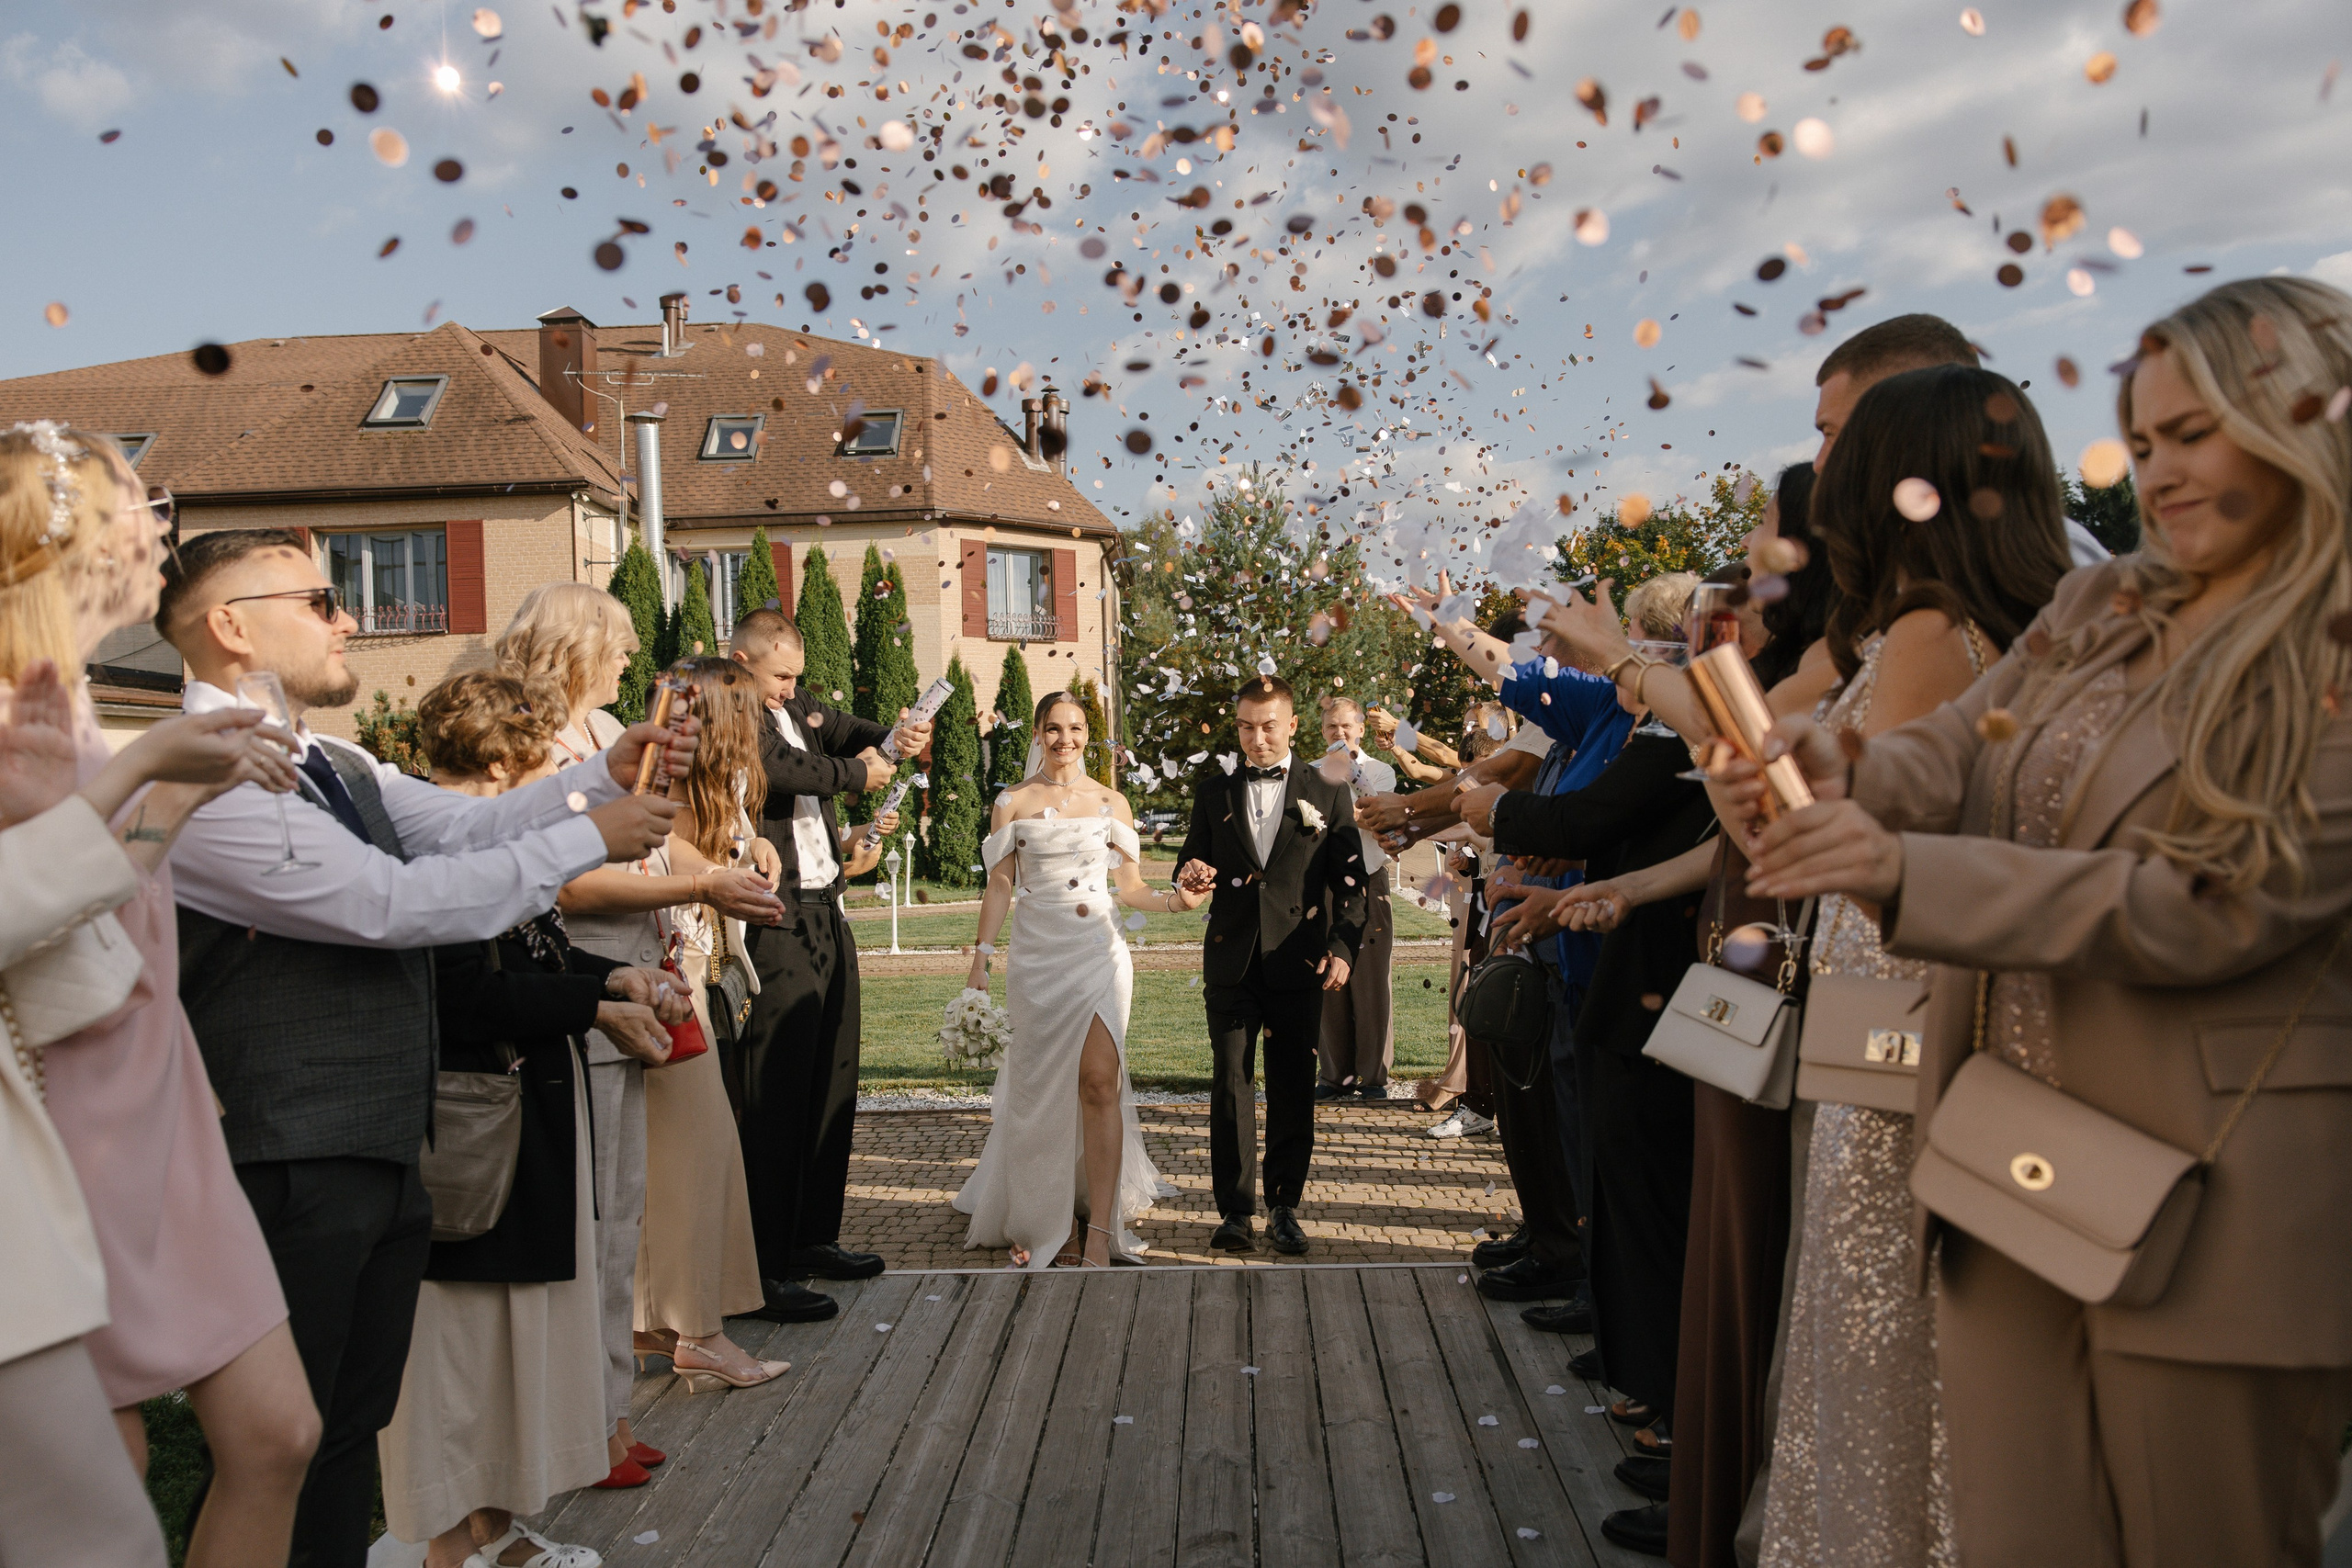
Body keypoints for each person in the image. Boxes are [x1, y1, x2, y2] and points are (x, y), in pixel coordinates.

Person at [1726, 276, 2352, 1567]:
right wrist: (1839, 768)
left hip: (2217, 1196)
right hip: (2006, 1156)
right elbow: (1960, 742)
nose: (2159, 469)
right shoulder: (2107, 600)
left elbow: (2211, 903)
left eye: (2198, 433)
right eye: (2147, 435)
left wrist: (1907, 877)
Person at [154, 527, 691, 1566]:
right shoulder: (207, 771)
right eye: (318, 599)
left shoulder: (332, 758)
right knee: (274, 1446)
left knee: (340, 1432)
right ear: (230, 627)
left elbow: (452, 828)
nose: (349, 616)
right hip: (285, 1148)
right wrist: (592, 836)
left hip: (376, 1144)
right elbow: (384, 905)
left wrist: (593, 784)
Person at [0, 426, 322, 1568]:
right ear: (69, 547)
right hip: (64, 1114)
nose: (159, 529)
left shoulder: (75, 700)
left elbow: (105, 889)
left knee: (280, 1433)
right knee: (110, 1466)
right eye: (138, 507)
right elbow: (32, 932)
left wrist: (183, 788)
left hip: (163, 1100)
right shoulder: (12, 716)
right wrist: (155, 775)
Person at [378, 671, 689, 1568]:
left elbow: (534, 950)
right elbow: (467, 991)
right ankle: (447, 1547)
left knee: (503, 1348)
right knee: (456, 1364)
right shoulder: (432, 847)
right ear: (501, 757)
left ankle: (494, 1527)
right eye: (548, 754)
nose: (566, 769)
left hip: (520, 1124)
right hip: (470, 1132)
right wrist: (591, 1007)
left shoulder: (495, 842)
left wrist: (610, 978)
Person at [498, 588, 786, 1483]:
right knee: (586, 1220)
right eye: (617, 645)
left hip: (641, 988)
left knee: (619, 1217)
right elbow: (568, 888)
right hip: (580, 996)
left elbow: (657, 851)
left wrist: (722, 870)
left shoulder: (611, 730)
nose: (629, 661)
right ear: (574, 648)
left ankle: (606, 1415)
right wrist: (700, 893)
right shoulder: (530, 750)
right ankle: (578, 1426)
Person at [1480, 577, 1717, 1558]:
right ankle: (1653, 1387)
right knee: (1623, 1178)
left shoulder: (1681, 726)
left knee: (1660, 1194)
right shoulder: (1659, 725)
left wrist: (1476, 803)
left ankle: (1677, 1414)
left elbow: (1584, 823)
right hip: (1633, 952)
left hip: (1681, 977)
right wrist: (1613, 886)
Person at [1401, 576, 1639, 1313]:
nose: (1550, 660)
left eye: (1563, 640)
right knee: (1574, 1129)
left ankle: (1607, 1292)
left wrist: (1512, 825)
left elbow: (1592, 819)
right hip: (1570, 959)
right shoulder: (1597, 707)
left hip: (1626, 963)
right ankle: (1584, 1271)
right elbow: (1518, 674)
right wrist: (1450, 625)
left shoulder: (1654, 721)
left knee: (1614, 1147)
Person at [726, 607, 931, 1317]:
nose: (790, 688)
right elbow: (783, 769)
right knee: (777, 1092)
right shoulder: (732, 709)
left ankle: (814, 1235)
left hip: (827, 909)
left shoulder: (799, 704)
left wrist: (894, 739)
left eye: (795, 676)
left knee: (832, 1077)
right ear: (742, 658)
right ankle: (760, 1265)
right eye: (779, 674)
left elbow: (845, 731)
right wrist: (857, 775)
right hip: (775, 917)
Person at [956, 691, 1204, 1267]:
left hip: (1100, 954)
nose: (1065, 739)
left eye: (1075, 728)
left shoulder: (1112, 803)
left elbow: (1133, 889)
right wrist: (980, 962)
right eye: (1053, 728)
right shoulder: (1011, 803)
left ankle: (1100, 1232)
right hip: (1036, 960)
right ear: (1039, 734)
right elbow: (998, 888)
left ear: (1089, 735)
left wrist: (1177, 903)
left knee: (1099, 1082)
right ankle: (1051, 1223)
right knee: (1042, 1094)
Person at [1174, 673, 1368, 1256]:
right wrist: (1189, 875)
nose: (1256, 739)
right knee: (1231, 1085)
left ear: (1291, 726)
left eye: (1267, 727)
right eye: (1245, 727)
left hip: (1299, 961)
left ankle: (1285, 1206)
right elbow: (1192, 857)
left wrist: (1343, 947)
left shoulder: (1328, 790)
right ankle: (1235, 1211)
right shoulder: (1214, 791)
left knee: (1292, 1086)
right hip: (1231, 961)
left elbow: (1352, 880)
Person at [1314, 696, 1400, 1101]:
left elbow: (1373, 815)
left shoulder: (1380, 771)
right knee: (1328, 973)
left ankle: (1372, 1077)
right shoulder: (1310, 773)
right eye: (1332, 727)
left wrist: (1350, 773)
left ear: (1361, 729)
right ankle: (1333, 1075)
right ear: (1322, 730)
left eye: (1346, 726)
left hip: (1369, 878)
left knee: (1370, 979)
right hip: (1325, 883)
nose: (1339, 734)